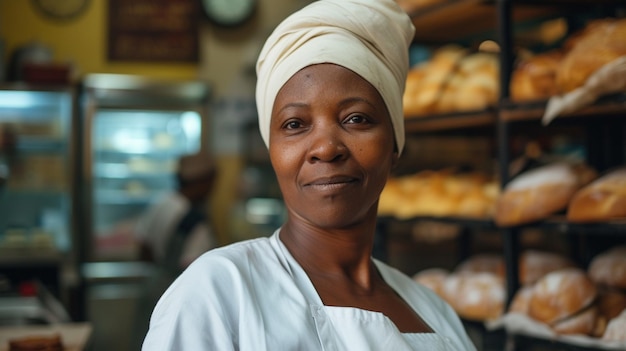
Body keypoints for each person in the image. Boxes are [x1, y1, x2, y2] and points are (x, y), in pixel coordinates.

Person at [142, 0, 477, 349]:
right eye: (295, 124)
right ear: (272, 151)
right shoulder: (219, 292)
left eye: (356, 118)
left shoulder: (436, 313)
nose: (326, 147)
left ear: (394, 145)